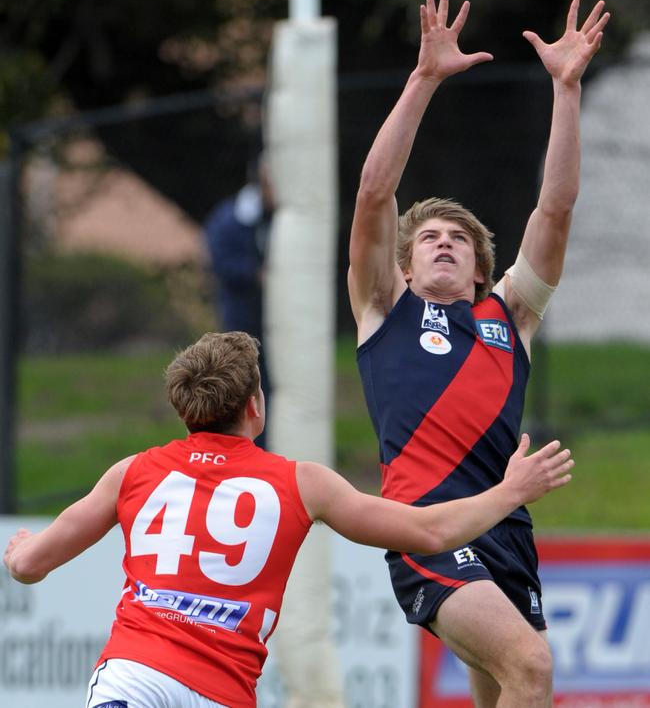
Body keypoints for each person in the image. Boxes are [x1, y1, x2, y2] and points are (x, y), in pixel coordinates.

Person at [4, 330, 573, 708]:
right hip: (220, 693)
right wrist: (509, 491)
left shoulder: (131, 473)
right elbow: (430, 532)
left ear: (184, 409)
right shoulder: (300, 482)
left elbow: (29, 566)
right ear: (255, 404)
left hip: (135, 677)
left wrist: (20, 549)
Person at [348, 0, 609, 708]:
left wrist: (566, 89)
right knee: (533, 665)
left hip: (505, 530)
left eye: (458, 239)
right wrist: (423, 79)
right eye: (428, 236)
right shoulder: (384, 308)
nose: (441, 241)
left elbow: (554, 208)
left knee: (502, 691)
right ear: (405, 265)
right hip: (427, 530)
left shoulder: (509, 316)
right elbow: (375, 194)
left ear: (480, 271)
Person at [204, 154, 274, 448]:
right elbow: (219, 262)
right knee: (248, 382)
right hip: (243, 317)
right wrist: (255, 275)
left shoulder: (281, 219)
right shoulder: (231, 217)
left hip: (277, 322)